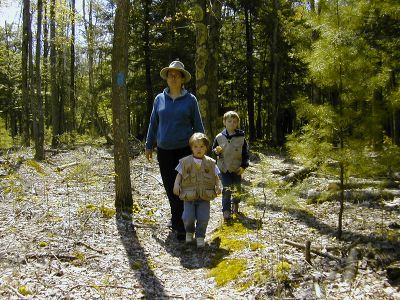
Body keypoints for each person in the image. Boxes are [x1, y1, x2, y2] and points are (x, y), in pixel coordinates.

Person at [145, 60, 205, 241]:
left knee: (184, 187)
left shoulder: (190, 100)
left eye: (176, 75)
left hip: (184, 151)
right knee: (170, 187)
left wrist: (203, 148)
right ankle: (177, 218)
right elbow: (153, 123)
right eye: (170, 74)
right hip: (164, 151)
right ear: (167, 78)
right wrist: (149, 145)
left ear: (182, 79)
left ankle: (182, 226)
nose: (172, 77)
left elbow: (198, 125)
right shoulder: (159, 99)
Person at [173, 133, 221, 248]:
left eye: (202, 146)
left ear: (206, 148)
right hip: (189, 196)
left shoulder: (211, 163)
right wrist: (176, 185)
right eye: (195, 147)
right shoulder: (185, 162)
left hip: (204, 197)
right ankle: (189, 231)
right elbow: (179, 175)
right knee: (187, 217)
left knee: (203, 217)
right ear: (191, 148)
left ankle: (200, 236)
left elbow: (216, 177)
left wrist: (219, 185)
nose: (198, 149)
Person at [212, 111, 249, 222]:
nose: (232, 123)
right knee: (227, 188)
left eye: (234, 122)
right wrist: (216, 151)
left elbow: (246, 154)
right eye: (229, 121)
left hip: (237, 168)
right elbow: (213, 151)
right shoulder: (219, 137)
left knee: (237, 188)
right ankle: (226, 210)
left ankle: (236, 205)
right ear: (224, 122)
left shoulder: (241, 138)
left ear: (237, 123)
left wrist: (243, 166)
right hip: (224, 168)